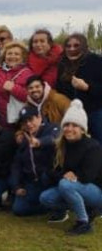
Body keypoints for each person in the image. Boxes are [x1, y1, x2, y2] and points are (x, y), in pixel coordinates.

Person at [39, 100, 102, 235]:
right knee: (45, 198)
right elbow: (51, 170)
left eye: (75, 125)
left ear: (82, 129)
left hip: (95, 190)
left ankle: (83, 223)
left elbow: (89, 175)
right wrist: (65, 175)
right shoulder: (60, 145)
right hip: (71, 185)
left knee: (65, 185)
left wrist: (74, 176)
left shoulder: (93, 146)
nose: (69, 128)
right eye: (66, 125)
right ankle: (79, 210)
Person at [10, 106, 59, 217]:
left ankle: (59, 206)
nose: (28, 124)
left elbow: (57, 138)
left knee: (47, 182)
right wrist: (17, 186)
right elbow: (16, 164)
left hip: (50, 179)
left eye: (31, 119)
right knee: (18, 209)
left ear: (39, 117)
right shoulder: (24, 139)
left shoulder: (52, 128)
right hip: (33, 182)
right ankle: (46, 207)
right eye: (25, 122)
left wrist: (40, 142)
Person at [55, 34, 102, 143]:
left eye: (76, 46)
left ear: (84, 47)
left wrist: (87, 87)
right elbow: (59, 88)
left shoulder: (96, 61)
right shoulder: (62, 64)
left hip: (94, 111)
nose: (72, 49)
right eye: (68, 46)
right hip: (71, 112)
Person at [0, 42, 34, 126]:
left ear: (22, 57)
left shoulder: (27, 73)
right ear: (4, 56)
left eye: (16, 54)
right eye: (9, 53)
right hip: (2, 120)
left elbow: (31, 96)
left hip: (20, 120)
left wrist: (14, 88)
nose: (12, 56)